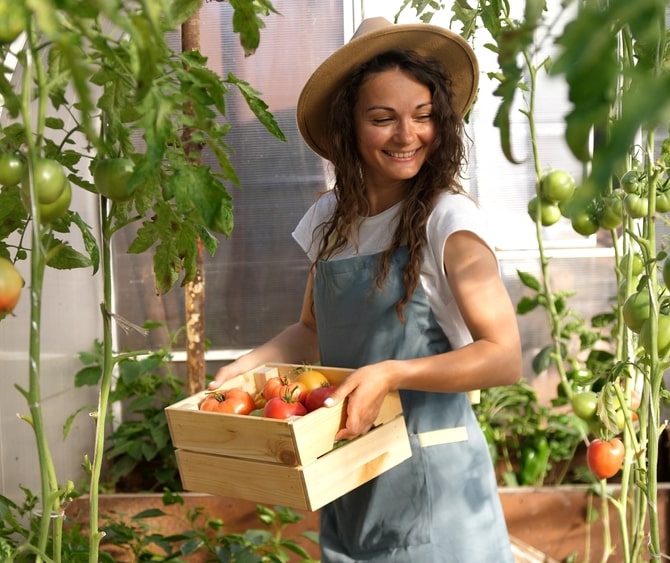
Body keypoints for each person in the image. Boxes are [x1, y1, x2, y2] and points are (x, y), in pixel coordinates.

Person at [212, 16, 522, 562]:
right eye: (383, 118)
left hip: (436, 486)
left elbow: (504, 357)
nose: (408, 136)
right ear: (349, 125)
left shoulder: (449, 223)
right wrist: (250, 366)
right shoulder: (330, 220)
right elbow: (311, 333)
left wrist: (393, 373)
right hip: (354, 477)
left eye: (423, 116)